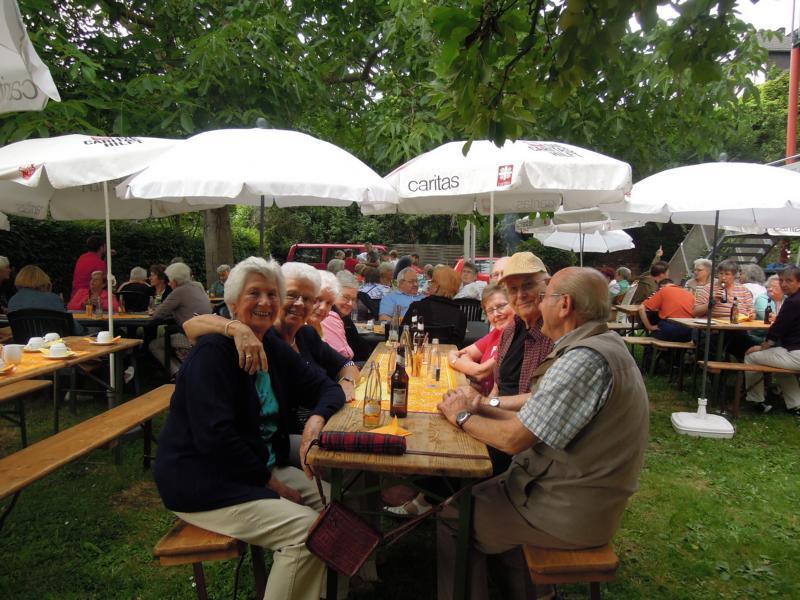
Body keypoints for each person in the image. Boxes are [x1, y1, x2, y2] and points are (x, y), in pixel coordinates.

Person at [436, 267, 649, 600]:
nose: (534, 301)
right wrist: (480, 404)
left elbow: (514, 439)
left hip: (569, 510)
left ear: (564, 305)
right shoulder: (597, 344)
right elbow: (538, 412)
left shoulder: (583, 360)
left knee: (453, 515)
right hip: (576, 494)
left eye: (545, 294)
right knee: (467, 496)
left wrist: (461, 415)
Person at [154, 256, 343, 600]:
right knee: (305, 533)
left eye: (273, 293)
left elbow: (326, 387)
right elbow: (216, 438)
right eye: (254, 293)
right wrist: (270, 484)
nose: (266, 302)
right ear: (231, 304)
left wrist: (316, 419)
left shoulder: (270, 344)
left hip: (255, 466)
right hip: (204, 480)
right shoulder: (212, 354)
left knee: (336, 505)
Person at [491, 252, 554, 407]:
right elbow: (498, 386)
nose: (520, 295)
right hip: (497, 413)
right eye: (513, 289)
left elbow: (542, 398)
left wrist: (488, 404)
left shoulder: (555, 332)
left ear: (547, 284)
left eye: (528, 285)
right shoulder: (510, 330)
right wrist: (484, 407)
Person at [744, 266, 800, 415]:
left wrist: (762, 347)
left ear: (799, 283)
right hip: (791, 353)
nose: (784, 284)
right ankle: (796, 405)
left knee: (750, 357)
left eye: (789, 281)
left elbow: (777, 329)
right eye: (781, 280)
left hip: (796, 355)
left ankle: (756, 400)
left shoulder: (793, 302)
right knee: (782, 367)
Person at [447, 285, 514, 394]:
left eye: (501, 306)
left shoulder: (515, 337)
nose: (496, 314)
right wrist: (467, 365)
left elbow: (481, 372)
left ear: (514, 303)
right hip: (481, 396)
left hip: (494, 404)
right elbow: (465, 353)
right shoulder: (496, 332)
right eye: (490, 310)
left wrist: (453, 360)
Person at [149, 262, 213, 377]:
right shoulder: (197, 287)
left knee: (154, 345)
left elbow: (157, 315)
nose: (168, 283)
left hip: (191, 338)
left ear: (174, 281)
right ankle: (184, 371)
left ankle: (178, 374)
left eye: (169, 280)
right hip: (207, 335)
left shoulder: (179, 291)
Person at [693, 259, 755, 360]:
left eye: (727, 274)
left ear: (734, 276)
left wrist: (752, 315)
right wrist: (712, 302)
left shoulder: (743, 290)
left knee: (752, 345)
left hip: (737, 329)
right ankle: (714, 371)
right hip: (714, 330)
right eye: (721, 273)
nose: (723, 277)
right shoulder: (709, 288)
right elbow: (695, 311)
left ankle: (738, 370)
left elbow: (751, 311)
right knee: (709, 342)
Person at [401, 265, 466, 346]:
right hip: (447, 357)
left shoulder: (416, 308)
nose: (429, 284)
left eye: (431, 281)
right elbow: (458, 346)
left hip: (417, 356)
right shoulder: (460, 316)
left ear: (436, 287)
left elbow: (402, 335)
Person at [331, 270, 371, 362]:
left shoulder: (345, 318)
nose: (350, 303)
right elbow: (342, 357)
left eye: (353, 299)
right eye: (345, 297)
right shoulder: (329, 316)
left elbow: (358, 344)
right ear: (332, 295)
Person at [307, 271, 339, 338]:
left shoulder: (320, 327)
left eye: (328, 303)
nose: (323, 307)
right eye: (318, 299)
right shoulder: (294, 330)